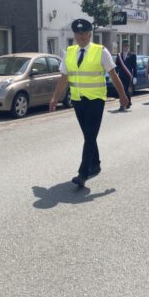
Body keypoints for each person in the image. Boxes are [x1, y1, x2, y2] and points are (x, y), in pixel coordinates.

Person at [50, 19, 129, 188]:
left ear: (89, 35)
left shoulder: (101, 51)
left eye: (83, 34)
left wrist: (122, 95)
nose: (80, 37)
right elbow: (64, 77)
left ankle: (83, 173)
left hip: (96, 99)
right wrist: (55, 98)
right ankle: (95, 163)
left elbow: (113, 75)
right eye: (77, 34)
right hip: (78, 100)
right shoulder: (69, 52)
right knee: (88, 135)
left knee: (90, 135)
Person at [115, 40, 137, 111]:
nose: (125, 47)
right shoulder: (119, 55)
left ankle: (124, 104)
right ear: (122, 47)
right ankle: (125, 104)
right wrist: (115, 74)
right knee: (122, 90)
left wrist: (135, 76)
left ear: (128, 46)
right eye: (124, 46)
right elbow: (116, 66)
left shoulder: (132, 55)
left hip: (128, 76)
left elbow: (134, 67)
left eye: (127, 46)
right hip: (121, 76)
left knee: (125, 90)